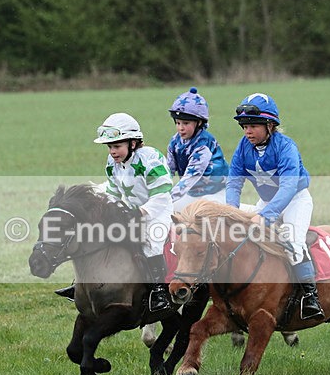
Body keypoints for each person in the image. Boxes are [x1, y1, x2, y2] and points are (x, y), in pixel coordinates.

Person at [55, 112, 174, 313]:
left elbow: (161, 196)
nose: (112, 151)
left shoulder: (151, 159)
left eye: (117, 146)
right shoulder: (112, 164)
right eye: (110, 147)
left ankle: (159, 292)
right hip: (130, 210)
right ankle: (82, 284)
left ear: (133, 143)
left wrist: (139, 213)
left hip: (157, 210)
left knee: (151, 242)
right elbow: (113, 192)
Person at [226, 93, 325, 321]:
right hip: (268, 202)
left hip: (295, 201)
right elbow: (233, 182)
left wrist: (266, 216)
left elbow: (289, 187)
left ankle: (311, 297)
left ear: (270, 125)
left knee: (292, 241)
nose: (247, 132)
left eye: (252, 126)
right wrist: (232, 211)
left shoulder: (286, 147)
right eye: (244, 126)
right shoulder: (243, 147)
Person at [166, 87, 229, 211]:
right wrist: (158, 193)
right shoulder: (174, 142)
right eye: (178, 123)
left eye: (186, 123)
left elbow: (192, 175)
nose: (181, 128)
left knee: (208, 214)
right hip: (192, 192)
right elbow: (168, 170)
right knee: (170, 211)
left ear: (199, 123)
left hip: (216, 191)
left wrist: (169, 197)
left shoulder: (203, 144)